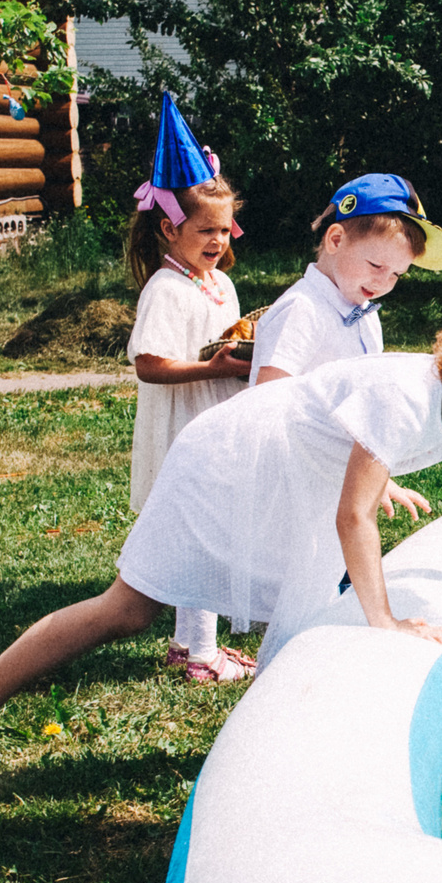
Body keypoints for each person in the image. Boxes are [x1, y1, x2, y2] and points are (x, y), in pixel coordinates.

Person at [0, 304, 442, 814]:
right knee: (128, 609)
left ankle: (270, 787)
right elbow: (353, 515)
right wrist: (384, 620)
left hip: (286, 480)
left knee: (292, 630)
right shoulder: (405, 395)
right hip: (232, 464)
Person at [251, 172, 442, 523]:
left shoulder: (363, 314)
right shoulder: (303, 309)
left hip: (331, 477)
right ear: (335, 239)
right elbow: (266, 403)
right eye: (376, 265)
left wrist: (375, 476)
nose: (384, 282)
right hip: (289, 479)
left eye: (396, 274)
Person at [124, 166, 254, 682]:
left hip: (218, 423)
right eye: (206, 230)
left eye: (224, 229)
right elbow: (149, 364)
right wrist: (212, 370)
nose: (218, 241)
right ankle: (202, 655)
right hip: (186, 426)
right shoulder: (166, 289)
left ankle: (186, 643)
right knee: (204, 538)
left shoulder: (220, 284)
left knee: (209, 530)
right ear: (169, 229)